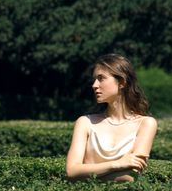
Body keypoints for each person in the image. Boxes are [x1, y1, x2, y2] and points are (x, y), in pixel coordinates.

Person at [66, 54, 158, 183]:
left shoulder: (146, 124)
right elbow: (71, 171)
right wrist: (117, 165)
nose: (94, 85)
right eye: (94, 79)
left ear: (121, 82)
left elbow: (131, 176)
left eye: (101, 78)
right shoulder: (85, 122)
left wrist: (86, 173)